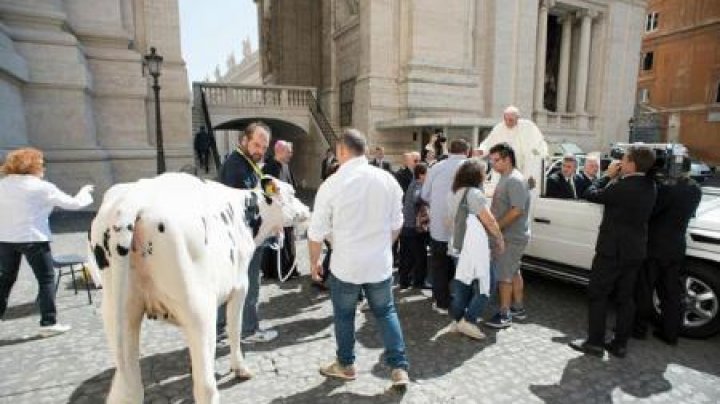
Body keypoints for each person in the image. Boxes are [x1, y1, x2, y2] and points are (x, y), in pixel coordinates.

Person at [308, 129, 410, 388]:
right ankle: (399, 368)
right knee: (386, 312)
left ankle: (346, 364)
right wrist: (383, 246)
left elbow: (316, 232)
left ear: (342, 151)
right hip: (379, 263)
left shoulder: (331, 184)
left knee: (344, 315)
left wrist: (313, 263)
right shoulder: (387, 180)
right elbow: (397, 223)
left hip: (346, 264)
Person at [569, 144, 657, 358]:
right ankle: (620, 345)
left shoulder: (622, 187)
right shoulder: (650, 186)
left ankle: (595, 343)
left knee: (598, 294)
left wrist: (606, 176)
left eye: (624, 159)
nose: (620, 162)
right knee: (626, 298)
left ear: (633, 164)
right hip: (634, 251)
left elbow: (589, 193)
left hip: (611, 251)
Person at [0, 147, 94, 337]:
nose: (43, 168)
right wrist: (85, 192)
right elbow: (74, 204)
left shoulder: (3, 184)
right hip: (33, 238)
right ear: (32, 165)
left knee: (6, 279)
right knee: (46, 279)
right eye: (41, 164)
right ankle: (48, 322)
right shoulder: (41, 187)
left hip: (5, 239)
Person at [216, 121, 278, 343]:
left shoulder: (247, 162)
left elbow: (261, 184)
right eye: (256, 145)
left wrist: (272, 191)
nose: (260, 150)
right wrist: (272, 216)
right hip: (243, 239)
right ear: (243, 140)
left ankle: (220, 329)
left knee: (230, 286)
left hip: (240, 239)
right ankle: (248, 331)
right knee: (250, 285)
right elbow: (248, 203)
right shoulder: (236, 165)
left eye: (264, 146)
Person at [634, 170, 702, 345]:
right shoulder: (695, 189)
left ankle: (639, 329)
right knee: (671, 292)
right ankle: (670, 333)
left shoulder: (667, 188)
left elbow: (652, 212)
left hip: (655, 246)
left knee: (645, 288)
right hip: (677, 246)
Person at [447, 160, 505, 340]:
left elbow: (450, 220)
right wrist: (499, 238)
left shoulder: (455, 193)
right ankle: (469, 320)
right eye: (483, 172)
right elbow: (489, 221)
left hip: (458, 247)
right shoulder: (475, 194)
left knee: (462, 286)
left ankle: (457, 321)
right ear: (476, 175)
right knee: (486, 284)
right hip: (474, 249)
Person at [484, 143, 532, 329]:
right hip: (511, 235)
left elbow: (517, 210)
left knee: (504, 275)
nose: (493, 164)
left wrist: (496, 227)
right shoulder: (506, 177)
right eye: (492, 160)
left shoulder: (514, 179)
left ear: (507, 159)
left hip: (511, 236)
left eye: (496, 160)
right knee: (513, 271)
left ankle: (505, 313)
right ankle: (517, 308)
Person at [421, 138, 469, 313]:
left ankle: (441, 301)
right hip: (463, 228)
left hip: (439, 227)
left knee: (439, 265)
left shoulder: (436, 167)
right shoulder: (472, 167)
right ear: (467, 151)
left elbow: (425, 194)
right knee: (463, 267)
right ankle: (461, 302)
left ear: (448, 150)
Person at [478, 105, 548, 190]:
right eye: (506, 119)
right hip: (505, 165)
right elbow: (488, 142)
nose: (508, 122)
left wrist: (541, 154)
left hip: (524, 165)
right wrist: (481, 150)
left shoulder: (528, 126)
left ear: (518, 118)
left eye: (511, 120)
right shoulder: (499, 128)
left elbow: (539, 142)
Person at [262, 140, 298, 280]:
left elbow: (291, 186)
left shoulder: (286, 167)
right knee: (277, 241)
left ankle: (289, 269)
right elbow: (269, 191)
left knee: (288, 239)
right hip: (275, 211)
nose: (291, 154)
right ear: (280, 151)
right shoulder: (269, 168)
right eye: (288, 151)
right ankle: (275, 271)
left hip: (287, 211)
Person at [398, 163, 429, 289]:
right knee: (420, 257)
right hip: (413, 227)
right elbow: (417, 198)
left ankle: (404, 281)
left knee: (406, 256)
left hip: (406, 226)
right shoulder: (418, 185)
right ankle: (419, 282)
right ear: (421, 175)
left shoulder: (412, 183)